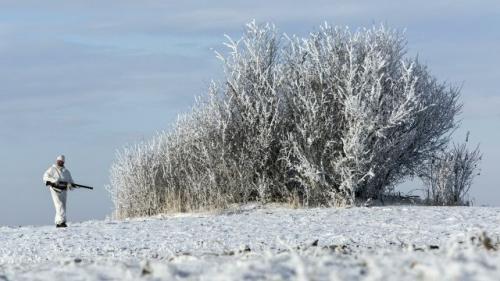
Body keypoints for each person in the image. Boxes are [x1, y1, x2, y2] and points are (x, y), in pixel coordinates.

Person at [43, 155, 75, 228]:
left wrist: (71, 185)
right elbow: (45, 176)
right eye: (59, 161)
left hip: (64, 190)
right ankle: (60, 222)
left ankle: (60, 221)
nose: (60, 162)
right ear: (57, 161)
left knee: (63, 206)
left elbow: (71, 181)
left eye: (61, 161)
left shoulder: (66, 171)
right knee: (59, 205)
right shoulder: (52, 169)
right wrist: (53, 181)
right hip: (55, 189)